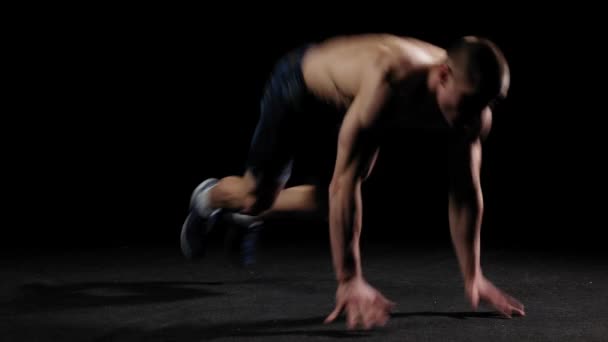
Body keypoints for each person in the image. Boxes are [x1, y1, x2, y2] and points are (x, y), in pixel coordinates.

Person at [180, 33, 526, 330]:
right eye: (468, 104)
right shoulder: (392, 76)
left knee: (326, 205)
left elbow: (465, 194)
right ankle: (207, 199)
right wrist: (349, 280)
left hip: (350, 106)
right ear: (444, 74)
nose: (473, 117)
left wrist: (473, 274)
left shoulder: (475, 113)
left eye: (485, 106)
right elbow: (343, 185)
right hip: (299, 90)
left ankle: (246, 217)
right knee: (258, 195)